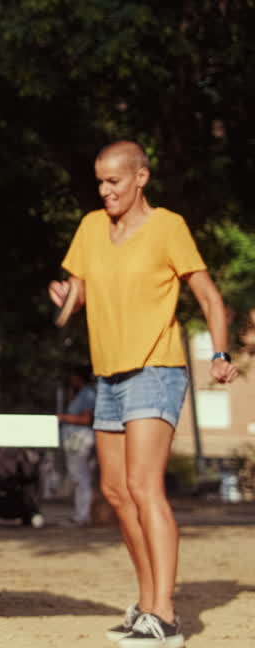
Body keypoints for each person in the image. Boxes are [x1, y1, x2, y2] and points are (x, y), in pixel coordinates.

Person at [49, 141, 237, 648]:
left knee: (142, 485)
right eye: (100, 182)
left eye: (115, 181)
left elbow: (210, 298)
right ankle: (147, 605)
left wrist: (219, 355)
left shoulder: (168, 227)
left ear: (141, 178)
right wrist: (68, 298)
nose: (106, 190)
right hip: (108, 373)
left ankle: (167, 616)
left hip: (157, 368)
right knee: (114, 491)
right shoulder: (91, 227)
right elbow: (80, 290)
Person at [57, 369, 96, 526]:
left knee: (81, 478)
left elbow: (86, 419)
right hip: (74, 440)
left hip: (80, 440)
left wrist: (62, 418)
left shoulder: (87, 394)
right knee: (78, 478)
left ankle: (82, 516)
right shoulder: (79, 394)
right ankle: (80, 514)